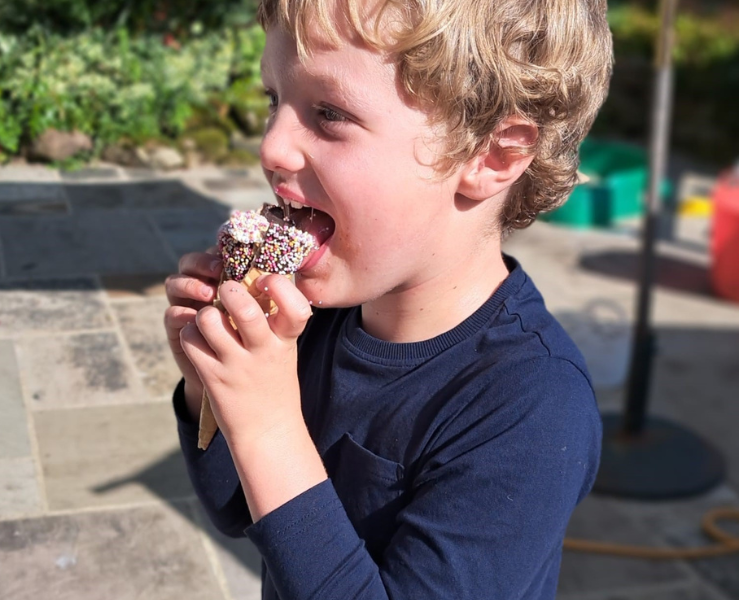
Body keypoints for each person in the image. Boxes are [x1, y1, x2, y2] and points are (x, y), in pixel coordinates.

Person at [164, 0, 612, 597]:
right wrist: (214, 390)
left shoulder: (532, 409)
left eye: (329, 113)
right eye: (275, 100)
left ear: (493, 155)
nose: (272, 146)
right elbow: (235, 510)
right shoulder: (315, 319)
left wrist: (269, 425)